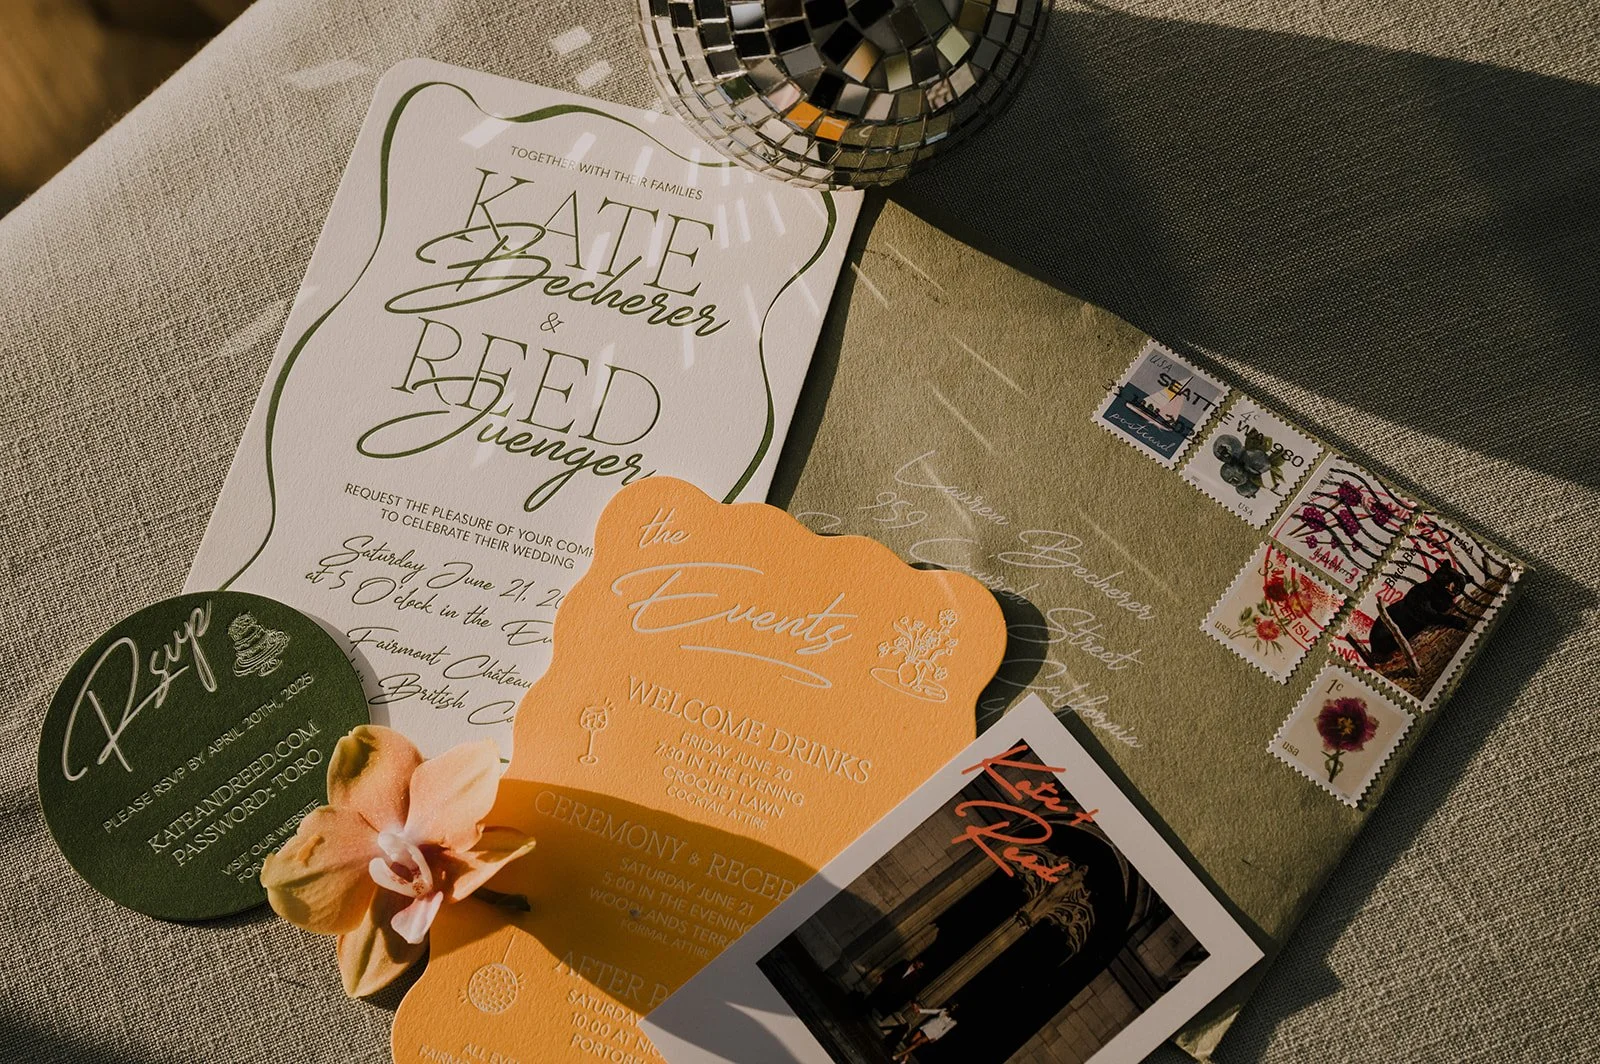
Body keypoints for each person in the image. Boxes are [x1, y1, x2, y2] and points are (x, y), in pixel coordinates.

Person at [892, 1003, 958, 1061]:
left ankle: (898, 1055)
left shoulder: (953, 1022)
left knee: (917, 1043)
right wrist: (920, 1010)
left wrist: (936, 1038)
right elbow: (932, 1011)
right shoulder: (944, 1010)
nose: (952, 1008)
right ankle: (906, 1058)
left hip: (933, 1033)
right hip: (927, 1027)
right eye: (953, 1006)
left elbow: (945, 1031)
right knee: (912, 1041)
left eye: (954, 1007)